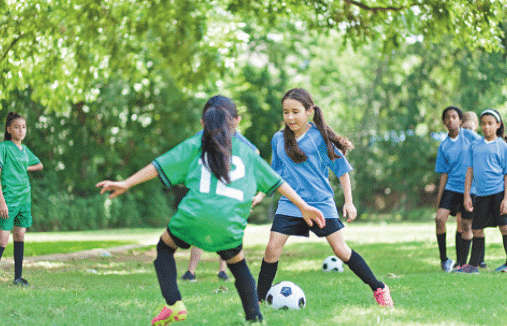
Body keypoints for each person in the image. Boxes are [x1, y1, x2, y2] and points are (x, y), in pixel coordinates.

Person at [97, 95, 325, 325]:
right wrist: (304, 206)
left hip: (192, 217)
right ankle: (255, 319)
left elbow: (158, 166)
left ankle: (174, 304)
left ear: (203, 122)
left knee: (165, 248)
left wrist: (126, 183)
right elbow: (277, 182)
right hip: (228, 225)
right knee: (239, 267)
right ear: (235, 121)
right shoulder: (248, 153)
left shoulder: (196, 145)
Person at [254, 88, 393, 308]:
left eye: (295, 111)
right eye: (286, 112)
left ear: (309, 111)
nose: (290, 117)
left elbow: (341, 169)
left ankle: (379, 288)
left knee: (341, 251)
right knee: (272, 247)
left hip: (320, 204)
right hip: (290, 204)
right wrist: (261, 193)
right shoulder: (278, 138)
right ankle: (258, 300)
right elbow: (275, 173)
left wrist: (349, 201)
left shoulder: (320, 137)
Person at [181, 120, 260, 282]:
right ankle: (191, 271)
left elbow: (255, 152)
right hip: (208, 188)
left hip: (228, 188)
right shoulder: (206, 135)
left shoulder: (236, 137)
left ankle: (222, 271)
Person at [434, 107, 481, 272]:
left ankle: (461, 264)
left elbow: (485, 145)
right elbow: (443, 174)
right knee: (439, 219)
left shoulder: (469, 135)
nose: (451, 120)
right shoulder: (444, 146)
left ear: (460, 120)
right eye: (447, 117)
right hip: (451, 188)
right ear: (444, 122)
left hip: (471, 189)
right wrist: (440, 198)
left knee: (466, 226)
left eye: (454, 117)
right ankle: (444, 260)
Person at [459, 109, 507, 273]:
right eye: (484, 124)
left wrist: (506, 199)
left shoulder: (503, 146)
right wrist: (467, 196)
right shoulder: (475, 146)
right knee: (477, 229)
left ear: (498, 125)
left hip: (499, 193)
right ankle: (473, 265)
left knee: (505, 227)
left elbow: (506, 174)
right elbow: (469, 172)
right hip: (481, 195)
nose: (486, 127)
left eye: (490, 123)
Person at [0, 112, 43, 286]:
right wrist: (1, 201)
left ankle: (18, 277)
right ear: (9, 129)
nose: (21, 130)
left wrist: (25, 167)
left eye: (24, 127)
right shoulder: (4, 147)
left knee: (20, 235)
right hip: (9, 199)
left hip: (25, 198)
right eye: (17, 127)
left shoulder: (25, 150)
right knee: (3, 238)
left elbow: (39, 165)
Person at [461, 111, 487, 269]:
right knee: (466, 224)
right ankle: (464, 261)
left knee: (479, 225)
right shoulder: (460, 145)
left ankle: (480, 260)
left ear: (476, 127)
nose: (468, 132)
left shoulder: (481, 143)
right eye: (465, 128)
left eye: (470, 128)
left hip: (482, 191)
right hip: (467, 191)